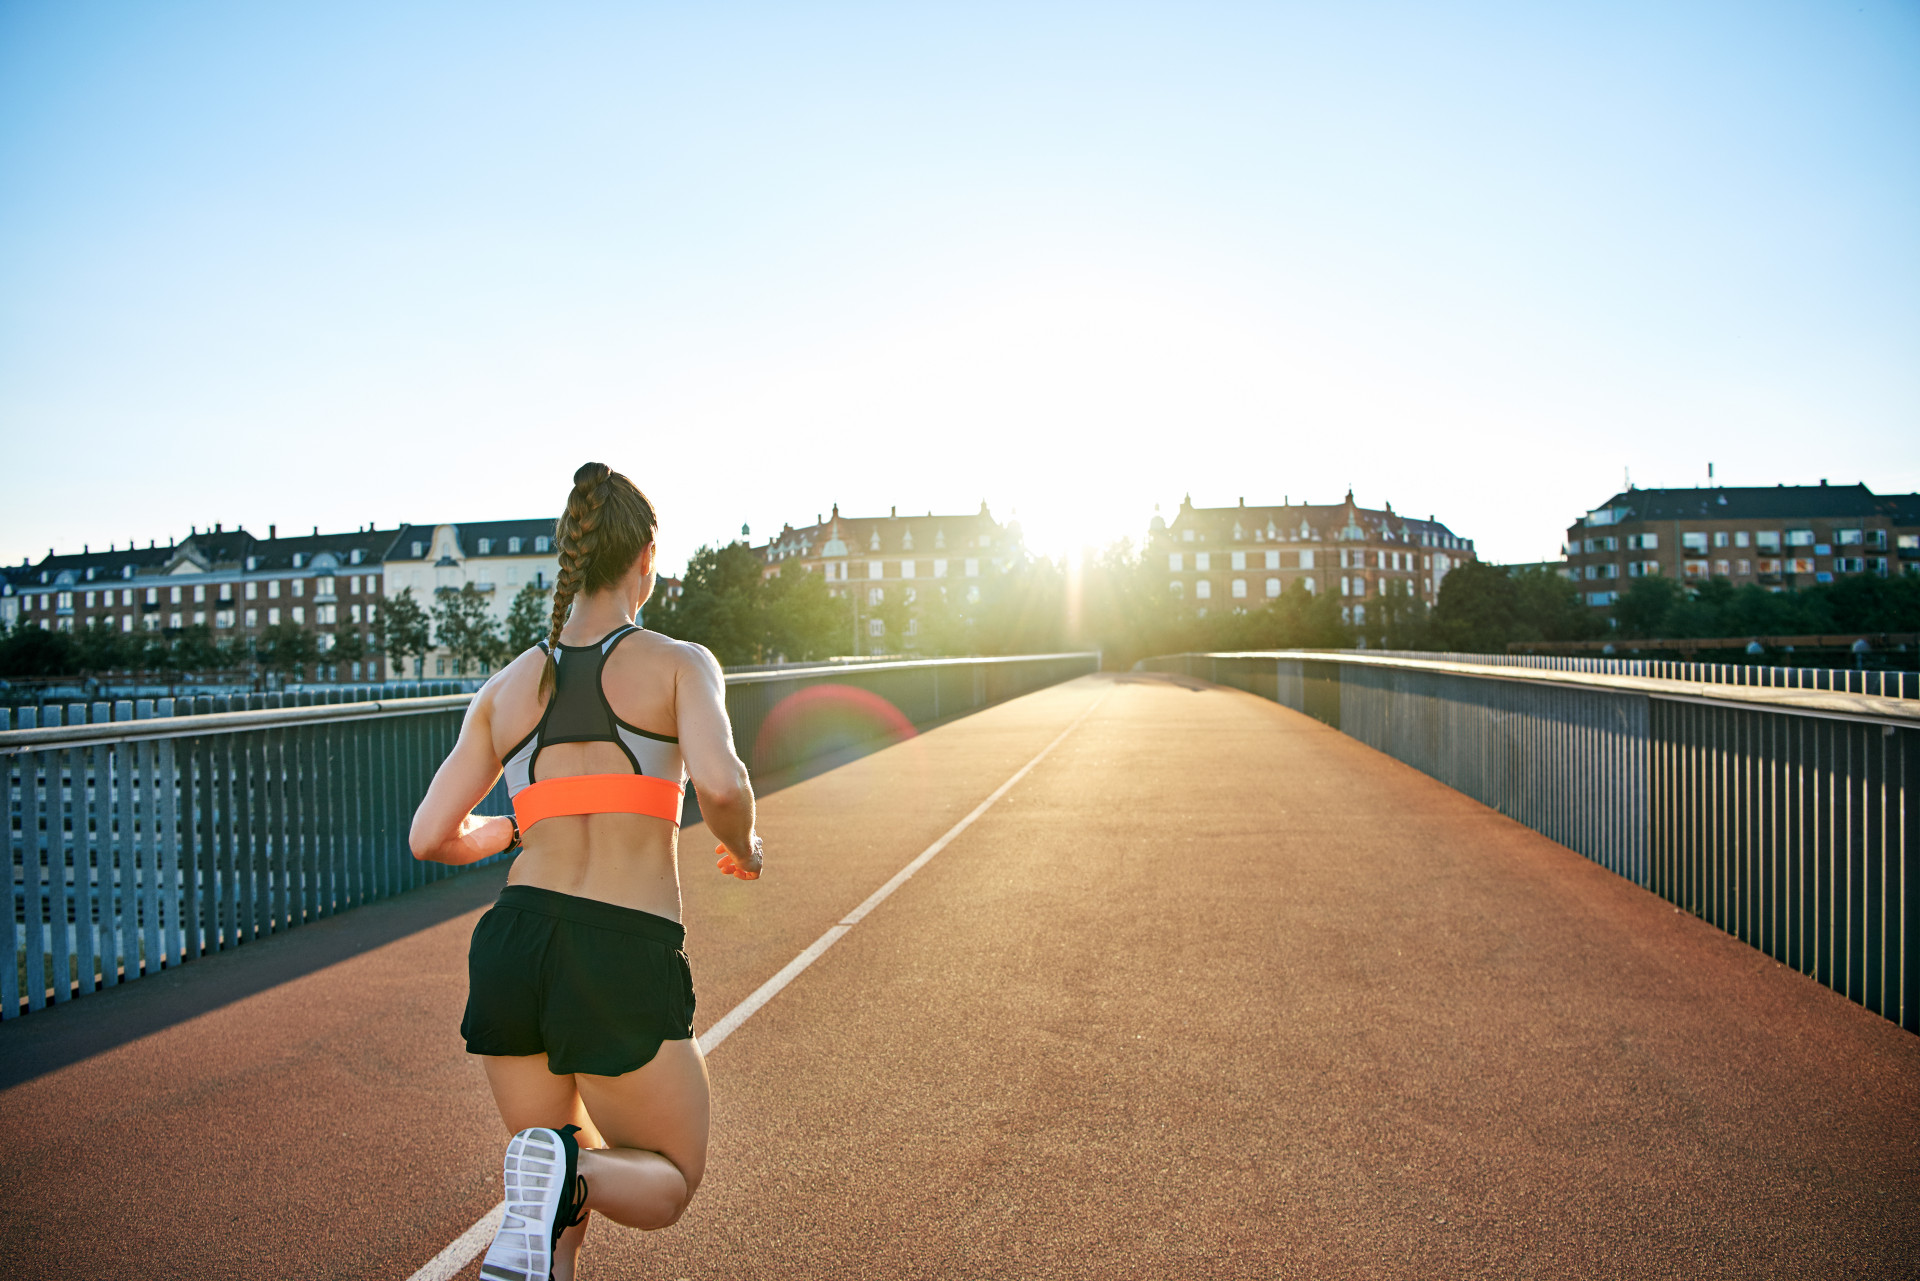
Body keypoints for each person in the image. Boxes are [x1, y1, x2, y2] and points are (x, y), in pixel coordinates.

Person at [410, 462, 764, 1281]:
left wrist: (507, 830)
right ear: (644, 556)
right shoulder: (680, 662)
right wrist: (744, 849)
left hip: (515, 943)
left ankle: (561, 1175)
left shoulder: (507, 687)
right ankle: (575, 1172)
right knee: (669, 1175)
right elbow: (721, 784)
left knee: (548, 1220)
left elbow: (430, 835)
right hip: (618, 946)